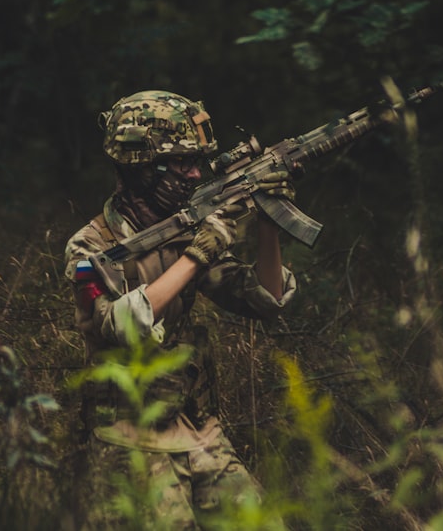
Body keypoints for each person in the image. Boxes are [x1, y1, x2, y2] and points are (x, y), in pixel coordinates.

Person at [63, 90, 297, 529]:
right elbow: (121, 325)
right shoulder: (90, 247)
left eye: (199, 162)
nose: (196, 174)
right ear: (141, 168)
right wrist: (198, 253)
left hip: (198, 428)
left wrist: (269, 219)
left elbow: (263, 299)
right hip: (129, 439)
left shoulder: (188, 224)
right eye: (183, 163)